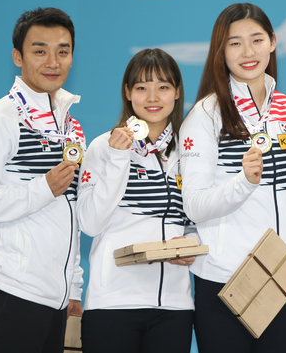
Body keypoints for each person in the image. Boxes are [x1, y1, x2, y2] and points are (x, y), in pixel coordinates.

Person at [179, 2, 286, 353]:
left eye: (257, 40)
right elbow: (194, 205)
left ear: (272, 42)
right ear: (221, 51)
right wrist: (244, 182)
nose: (248, 52)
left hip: (284, 279)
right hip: (223, 280)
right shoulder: (206, 115)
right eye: (235, 43)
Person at [0, 7, 84, 353]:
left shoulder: (71, 128)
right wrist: (42, 188)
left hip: (57, 300)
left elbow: (70, 213)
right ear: (18, 57)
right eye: (40, 51)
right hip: (10, 294)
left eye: (63, 51)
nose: (53, 62)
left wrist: (73, 288)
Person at [76, 49, 194, 353]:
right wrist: (119, 159)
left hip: (174, 305)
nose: (153, 97)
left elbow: (199, 216)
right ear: (128, 93)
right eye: (142, 87)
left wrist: (191, 243)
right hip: (113, 303)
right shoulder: (103, 148)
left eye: (163, 87)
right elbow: (89, 223)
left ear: (177, 92)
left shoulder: (189, 152)